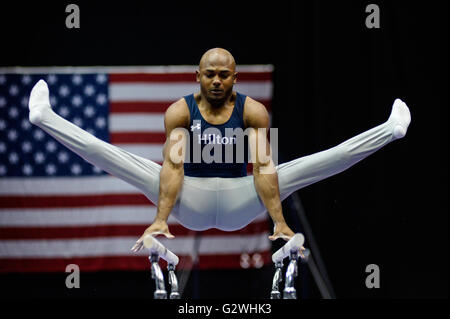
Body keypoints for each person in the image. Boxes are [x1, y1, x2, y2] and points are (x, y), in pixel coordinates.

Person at [28, 48, 411, 255]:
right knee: (114, 156)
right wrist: (161, 219)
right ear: (197, 76)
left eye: (223, 74)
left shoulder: (252, 111)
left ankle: (390, 131)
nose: (215, 80)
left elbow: (262, 166)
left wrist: (278, 221)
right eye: (209, 74)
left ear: (235, 77)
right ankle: (44, 117)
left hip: (240, 201)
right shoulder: (180, 110)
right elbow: (173, 167)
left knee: (314, 164)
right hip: (187, 200)